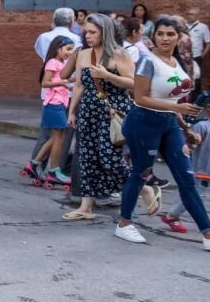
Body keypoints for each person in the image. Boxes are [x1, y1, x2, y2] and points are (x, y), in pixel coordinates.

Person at [115, 20, 210, 250]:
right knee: (141, 172)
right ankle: (124, 223)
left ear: (179, 37)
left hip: (170, 123)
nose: (165, 38)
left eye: (170, 34)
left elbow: (173, 99)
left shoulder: (175, 62)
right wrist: (177, 110)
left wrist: (185, 127)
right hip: (144, 121)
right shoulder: (147, 61)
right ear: (153, 37)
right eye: (160, 34)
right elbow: (140, 97)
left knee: (186, 178)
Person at [61, 13, 136, 222]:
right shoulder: (83, 54)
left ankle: (143, 188)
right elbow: (78, 85)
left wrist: (108, 75)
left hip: (111, 111)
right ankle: (86, 206)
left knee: (109, 157)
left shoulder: (119, 54)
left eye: (93, 32)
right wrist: (72, 111)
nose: (87, 36)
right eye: (86, 32)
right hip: (87, 111)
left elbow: (133, 83)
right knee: (86, 158)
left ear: (105, 32)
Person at [160, 91, 210, 239]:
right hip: (203, 171)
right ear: (209, 107)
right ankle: (171, 215)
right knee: (196, 199)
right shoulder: (201, 126)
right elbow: (191, 145)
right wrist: (188, 147)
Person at [31, 36, 75, 185]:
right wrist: (62, 82)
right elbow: (45, 83)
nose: (70, 53)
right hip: (53, 104)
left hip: (59, 104)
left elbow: (61, 81)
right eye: (68, 49)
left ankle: (34, 163)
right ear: (58, 48)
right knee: (58, 139)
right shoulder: (52, 62)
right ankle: (54, 170)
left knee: (55, 138)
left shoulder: (61, 63)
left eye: (72, 49)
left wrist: (71, 81)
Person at [188, 15, 210, 94]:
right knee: (184, 77)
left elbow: (209, 42)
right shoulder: (183, 26)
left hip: (196, 56)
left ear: (197, 15)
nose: (190, 16)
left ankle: (196, 98)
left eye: (192, 14)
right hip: (184, 56)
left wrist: (202, 55)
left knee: (196, 78)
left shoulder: (203, 27)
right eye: (188, 14)